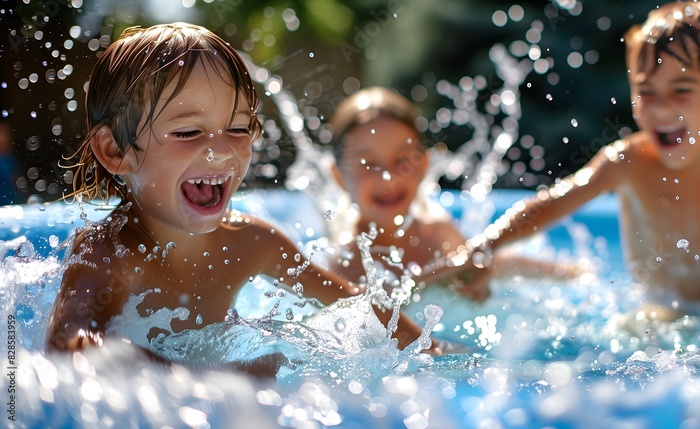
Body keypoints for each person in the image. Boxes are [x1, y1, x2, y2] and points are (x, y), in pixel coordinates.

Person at [45, 23, 434, 377]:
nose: (223, 152)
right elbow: (69, 350)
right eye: (188, 132)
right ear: (116, 150)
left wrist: (436, 354)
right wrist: (222, 377)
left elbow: (362, 310)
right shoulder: (109, 254)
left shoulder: (251, 243)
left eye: (237, 128)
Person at [431, 1, 700, 319]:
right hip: (665, 304)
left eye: (681, 90)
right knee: (639, 332)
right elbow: (550, 204)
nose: (660, 108)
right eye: (647, 91)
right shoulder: (626, 161)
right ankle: (505, 265)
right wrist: (482, 247)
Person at [325, 87, 586, 301]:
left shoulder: (436, 232)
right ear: (339, 177)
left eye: (402, 159)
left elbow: (483, 268)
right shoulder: (346, 263)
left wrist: (562, 273)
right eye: (367, 164)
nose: (388, 177)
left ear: (423, 164)